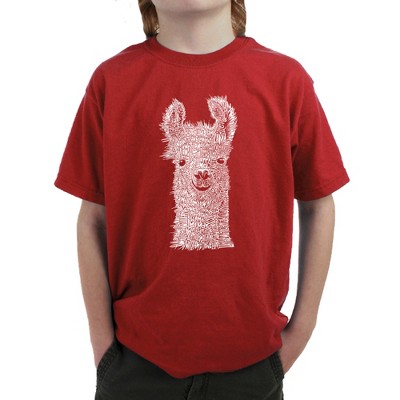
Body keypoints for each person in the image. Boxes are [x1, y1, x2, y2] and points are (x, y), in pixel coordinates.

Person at [55, 0, 349, 399]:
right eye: (188, 161)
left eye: (214, 160)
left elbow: (318, 203)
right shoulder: (113, 81)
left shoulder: (285, 81)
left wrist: (301, 329)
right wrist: (103, 346)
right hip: (136, 364)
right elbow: (93, 217)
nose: (201, 171)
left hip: (253, 366)